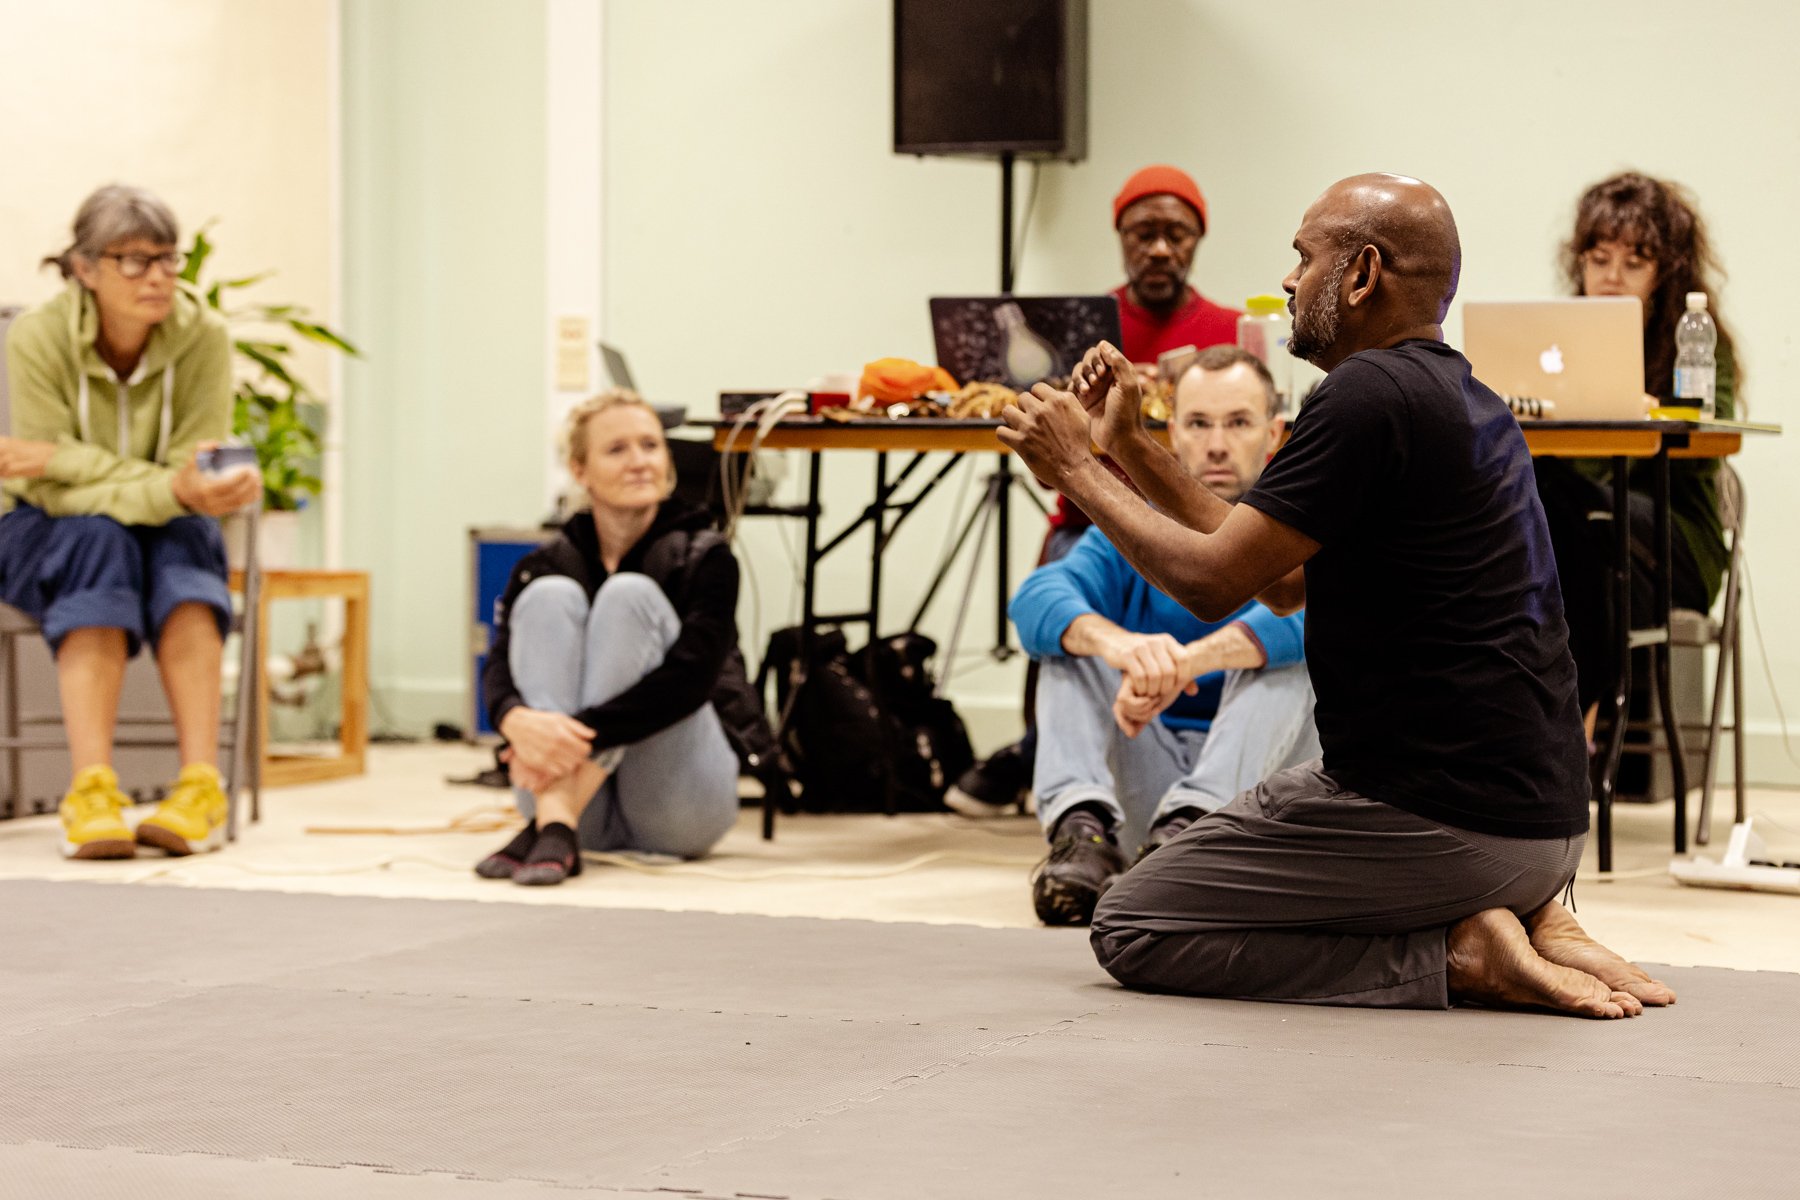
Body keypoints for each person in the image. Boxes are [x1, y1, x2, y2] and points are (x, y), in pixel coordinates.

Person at [999, 173, 1675, 1018]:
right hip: (1544, 832)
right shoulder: (1466, 400)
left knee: (1135, 923)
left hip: (1438, 818)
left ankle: (1459, 950)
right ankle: (1526, 913)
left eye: (1303, 259)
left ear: (1359, 276)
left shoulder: (1363, 395)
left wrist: (1072, 470)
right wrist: (1129, 445)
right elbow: (1276, 580)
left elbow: (1212, 584)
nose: (1288, 281)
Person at [952, 164, 1242, 816]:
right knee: (1059, 592)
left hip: (1194, 516)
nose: (1161, 248)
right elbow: (1046, 438)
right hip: (1090, 519)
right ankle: (1048, 764)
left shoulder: (1231, 334)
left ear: (1198, 240)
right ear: (1121, 236)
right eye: (1144, 233)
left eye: (1177, 233)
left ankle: (1034, 760)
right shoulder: (1074, 329)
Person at [1012, 346, 1316, 926]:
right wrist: (1116, 644)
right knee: (1067, 642)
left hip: (1257, 794)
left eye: (1238, 423)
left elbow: (1317, 612)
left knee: (1301, 657)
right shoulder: (1137, 525)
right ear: (1171, 433)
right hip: (1143, 788)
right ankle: (1083, 838)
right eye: (1199, 424)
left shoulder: (1296, 528)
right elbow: (1035, 599)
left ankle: (1188, 838)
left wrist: (1188, 661)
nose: (1218, 444)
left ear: (1274, 433)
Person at [0, 184, 258, 860]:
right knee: (97, 535)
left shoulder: (203, 337)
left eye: (168, 260)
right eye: (134, 262)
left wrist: (64, 457)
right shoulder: (37, 337)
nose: (159, 278)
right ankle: (92, 789)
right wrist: (162, 486)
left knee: (187, 542)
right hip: (43, 525)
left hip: (167, 523)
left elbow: (190, 478)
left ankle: (200, 786)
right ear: (85, 268)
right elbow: (45, 486)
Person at [477, 390, 761, 885]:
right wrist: (515, 719)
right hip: (588, 818)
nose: (639, 462)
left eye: (650, 446)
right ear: (580, 470)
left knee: (627, 596)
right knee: (547, 597)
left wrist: (564, 740)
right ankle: (559, 822)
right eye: (617, 449)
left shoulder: (706, 554)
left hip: (678, 809)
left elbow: (691, 679)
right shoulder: (541, 564)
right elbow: (499, 666)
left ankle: (553, 812)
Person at [1533, 172, 1741, 736]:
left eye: (1633, 262)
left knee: (1559, 507)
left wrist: (1645, 409)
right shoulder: (1558, 342)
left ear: (1665, 270)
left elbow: (1704, 441)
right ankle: (1557, 740)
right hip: (1594, 537)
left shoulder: (1692, 338)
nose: (1611, 278)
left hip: (1674, 544)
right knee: (1555, 527)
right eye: (1598, 260)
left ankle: (1568, 737)